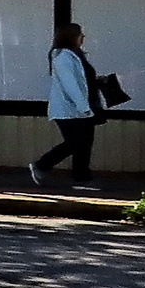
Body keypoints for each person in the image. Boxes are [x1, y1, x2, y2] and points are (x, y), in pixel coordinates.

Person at [30, 22, 102, 192]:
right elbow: (70, 84)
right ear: (71, 36)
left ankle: (82, 179)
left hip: (82, 107)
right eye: (80, 34)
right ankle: (41, 165)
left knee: (84, 144)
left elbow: (82, 81)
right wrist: (83, 107)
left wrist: (98, 82)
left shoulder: (75, 55)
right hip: (70, 110)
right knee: (75, 142)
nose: (83, 37)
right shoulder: (63, 57)